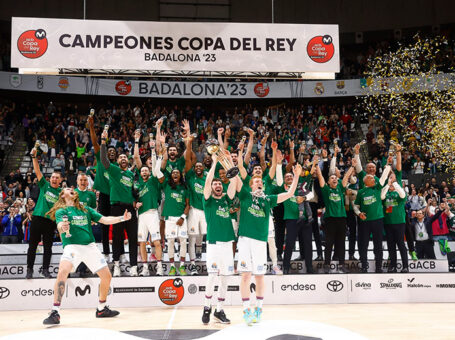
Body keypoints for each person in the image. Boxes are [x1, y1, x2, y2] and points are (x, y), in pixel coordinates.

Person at [42, 187, 130, 325]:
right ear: (62, 196)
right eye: (66, 189)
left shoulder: (85, 209)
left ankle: (101, 309)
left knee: (107, 276)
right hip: (72, 246)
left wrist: (121, 218)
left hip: (90, 246)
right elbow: (59, 224)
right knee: (62, 272)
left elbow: (105, 220)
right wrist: (62, 227)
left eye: (71, 189)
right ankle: (55, 312)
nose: (70, 189)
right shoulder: (62, 211)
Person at [236, 143, 302, 326]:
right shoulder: (245, 195)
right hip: (244, 240)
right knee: (245, 276)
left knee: (259, 276)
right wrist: (240, 152)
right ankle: (245, 310)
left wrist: (296, 177)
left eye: (261, 181)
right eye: (256, 181)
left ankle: (258, 308)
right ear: (250, 185)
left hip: (259, 241)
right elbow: (240, 168)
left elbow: (289, 194)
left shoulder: (268, 199)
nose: (259, 182)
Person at [201, 153, 238, 325]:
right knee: (212, 277)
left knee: (225, 278)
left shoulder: (226, 199)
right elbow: (207, 182)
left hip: (228, 243)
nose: (217, 185)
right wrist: (215, 163)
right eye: (214, 184)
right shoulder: (207, 201)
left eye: (219, 183)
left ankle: (219, 309)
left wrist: (230, 164)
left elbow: (233, 183)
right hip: (214, 243)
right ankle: (207, 307)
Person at [100, 129, 139, 277]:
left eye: (125, 157)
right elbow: (104, 160)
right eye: (121, 157)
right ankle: (116, 265)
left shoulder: (130, 174)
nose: (123, 158)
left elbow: (133, 191)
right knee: (117, 238)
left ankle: (134, 266)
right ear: (117, 161)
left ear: (128, 161)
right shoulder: (114, 171)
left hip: (130, 209)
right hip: (116, 207)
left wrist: (136, 201)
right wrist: (103, 142)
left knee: (133, 238)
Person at [26, 147, 62, 279]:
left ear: (60, 181)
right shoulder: (44, 185)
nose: (53, 179)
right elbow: (37, 170)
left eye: (56, 178)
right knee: (32, 246)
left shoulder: (62, 194)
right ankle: (29, 269)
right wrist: (34, 157)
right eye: (52, 177)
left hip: (50, 222)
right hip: (38, 218)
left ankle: (45, 269)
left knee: (48, 247)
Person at [132, 131, 163, 276]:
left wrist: (152, 150)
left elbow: (155, 163)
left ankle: (159, 266)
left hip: (152, 213)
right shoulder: (137, 184)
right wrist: (136, 141)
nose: (144, 171)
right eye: (142, 170)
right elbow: (136, 157)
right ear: (140, 173)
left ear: (149, 172)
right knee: (142, 243)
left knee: (156, 241)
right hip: (141, 215)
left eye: (146, 170)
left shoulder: (154, 180)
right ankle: (144, 268)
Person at [317, 158, 356, 273]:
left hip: (342, 219)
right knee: (329, 243)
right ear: (328, 182)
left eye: (335, 178)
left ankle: (342, 265)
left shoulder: (340, 188)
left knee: (341, 243)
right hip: (330, 219)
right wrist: (316, 166)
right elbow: (320, 177)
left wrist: (353, 166)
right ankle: (327, 265)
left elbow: (345, 177)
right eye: (332, 178)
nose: (334, 179)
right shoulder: (326, 190)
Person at [354, 156, 392, 273]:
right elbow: (356, 206)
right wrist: (359, 213)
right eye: (371, 178)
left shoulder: (377, 188)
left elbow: (384, 177)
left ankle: (379, 267)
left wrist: (388, 164)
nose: (374, 180)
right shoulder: (361, 192)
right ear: (365, 180)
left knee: (378, 245)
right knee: (363, 245)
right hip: (364, 221)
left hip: (377, 220)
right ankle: (364, 266)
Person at [88, 115, 114, 262]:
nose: (110, 153)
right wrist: (91, 126)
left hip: (115, 197)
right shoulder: (100, 158)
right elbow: (94, 142)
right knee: (104, 223)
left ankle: (119, 253)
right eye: (108, 151)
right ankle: (106, 252)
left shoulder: (116, 167)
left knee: (117, 224)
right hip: (104, 196)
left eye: (113, 152)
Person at [157, 165, 190, 276]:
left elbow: (187, 205)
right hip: (169, 219)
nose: (175, 174)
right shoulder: (166, 185)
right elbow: (157, 172)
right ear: (171, 175)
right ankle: (172, 267)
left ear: (181, 175)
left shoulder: (185, 188)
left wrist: (183, 217)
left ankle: (181, 266)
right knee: (170, 242)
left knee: (183, 242)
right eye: (173, 173)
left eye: (177, 173)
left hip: (181, 219)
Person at [382, 172, 408, 273]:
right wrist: (388, 184)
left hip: (399, 223)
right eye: (390, 184)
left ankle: (405, 266)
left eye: (393, 184)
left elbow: (402, 194)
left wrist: (394, 182)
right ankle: (393, 266)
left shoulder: (399, 193)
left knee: (401, 244)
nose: (392, 185)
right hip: (388, 223)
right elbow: (382, 197)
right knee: (391, 245)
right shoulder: (386, 193)